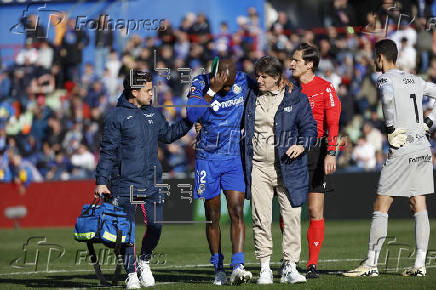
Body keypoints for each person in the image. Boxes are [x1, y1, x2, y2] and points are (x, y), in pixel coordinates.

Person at [344, 39, 435, 277]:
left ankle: (371, 264)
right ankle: (420, 265)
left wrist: (392, 128)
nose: (375, 61)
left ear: (380, 57)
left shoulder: (384, 78)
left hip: (402, 148)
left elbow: (386, 98)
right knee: (419, 203)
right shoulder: (414, 79)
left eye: (375, 57)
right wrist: (430, 122)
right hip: (423, 148)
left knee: (382, 203)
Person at [95, 70, 193, 289]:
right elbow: (107, 151)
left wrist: (189, 120)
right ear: (134, 92)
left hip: (152, 181)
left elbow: (168, 135)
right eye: (148, 90)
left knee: (156, 225)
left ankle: (145, 260)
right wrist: (101, 181)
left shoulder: (154, 114)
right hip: (123, 183)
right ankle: (131, 273)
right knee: (126, 229)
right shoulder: (116, 116)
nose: (152, 94)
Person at [243, 56, 317, 284]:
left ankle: (290, 267)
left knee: (292, 217)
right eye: (257, 75)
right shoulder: (250, 95)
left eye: (264, 76)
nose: (259, 80)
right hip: (258, 166)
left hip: (288, 167)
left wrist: (301, 144)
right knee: (260, 218)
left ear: (277, 78)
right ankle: (264, 267)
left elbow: (310, 129)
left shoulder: (296, 98)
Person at [186, 59, 252, 285]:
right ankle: (218, 269)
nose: (226, 89)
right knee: (212, 217)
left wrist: (285, 83)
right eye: (222, 85)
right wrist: (212, 90)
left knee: (236, 210)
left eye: (228, 86)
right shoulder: (199, 83)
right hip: (207, 160)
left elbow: (268, 85)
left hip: (233, 158)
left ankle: (238, 265)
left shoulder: (244, 80)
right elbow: (192, 115)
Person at [287, 43, 341, 278]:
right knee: (288, 210)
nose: (291, 64)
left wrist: (331, 153)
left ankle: (312, 264)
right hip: (291, 151)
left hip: (316, 152)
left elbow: (333, 124)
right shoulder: (288, 90)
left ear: (309, 64)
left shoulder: (325, 88)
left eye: (296, 60)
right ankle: (290, 260)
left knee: (314, 209)